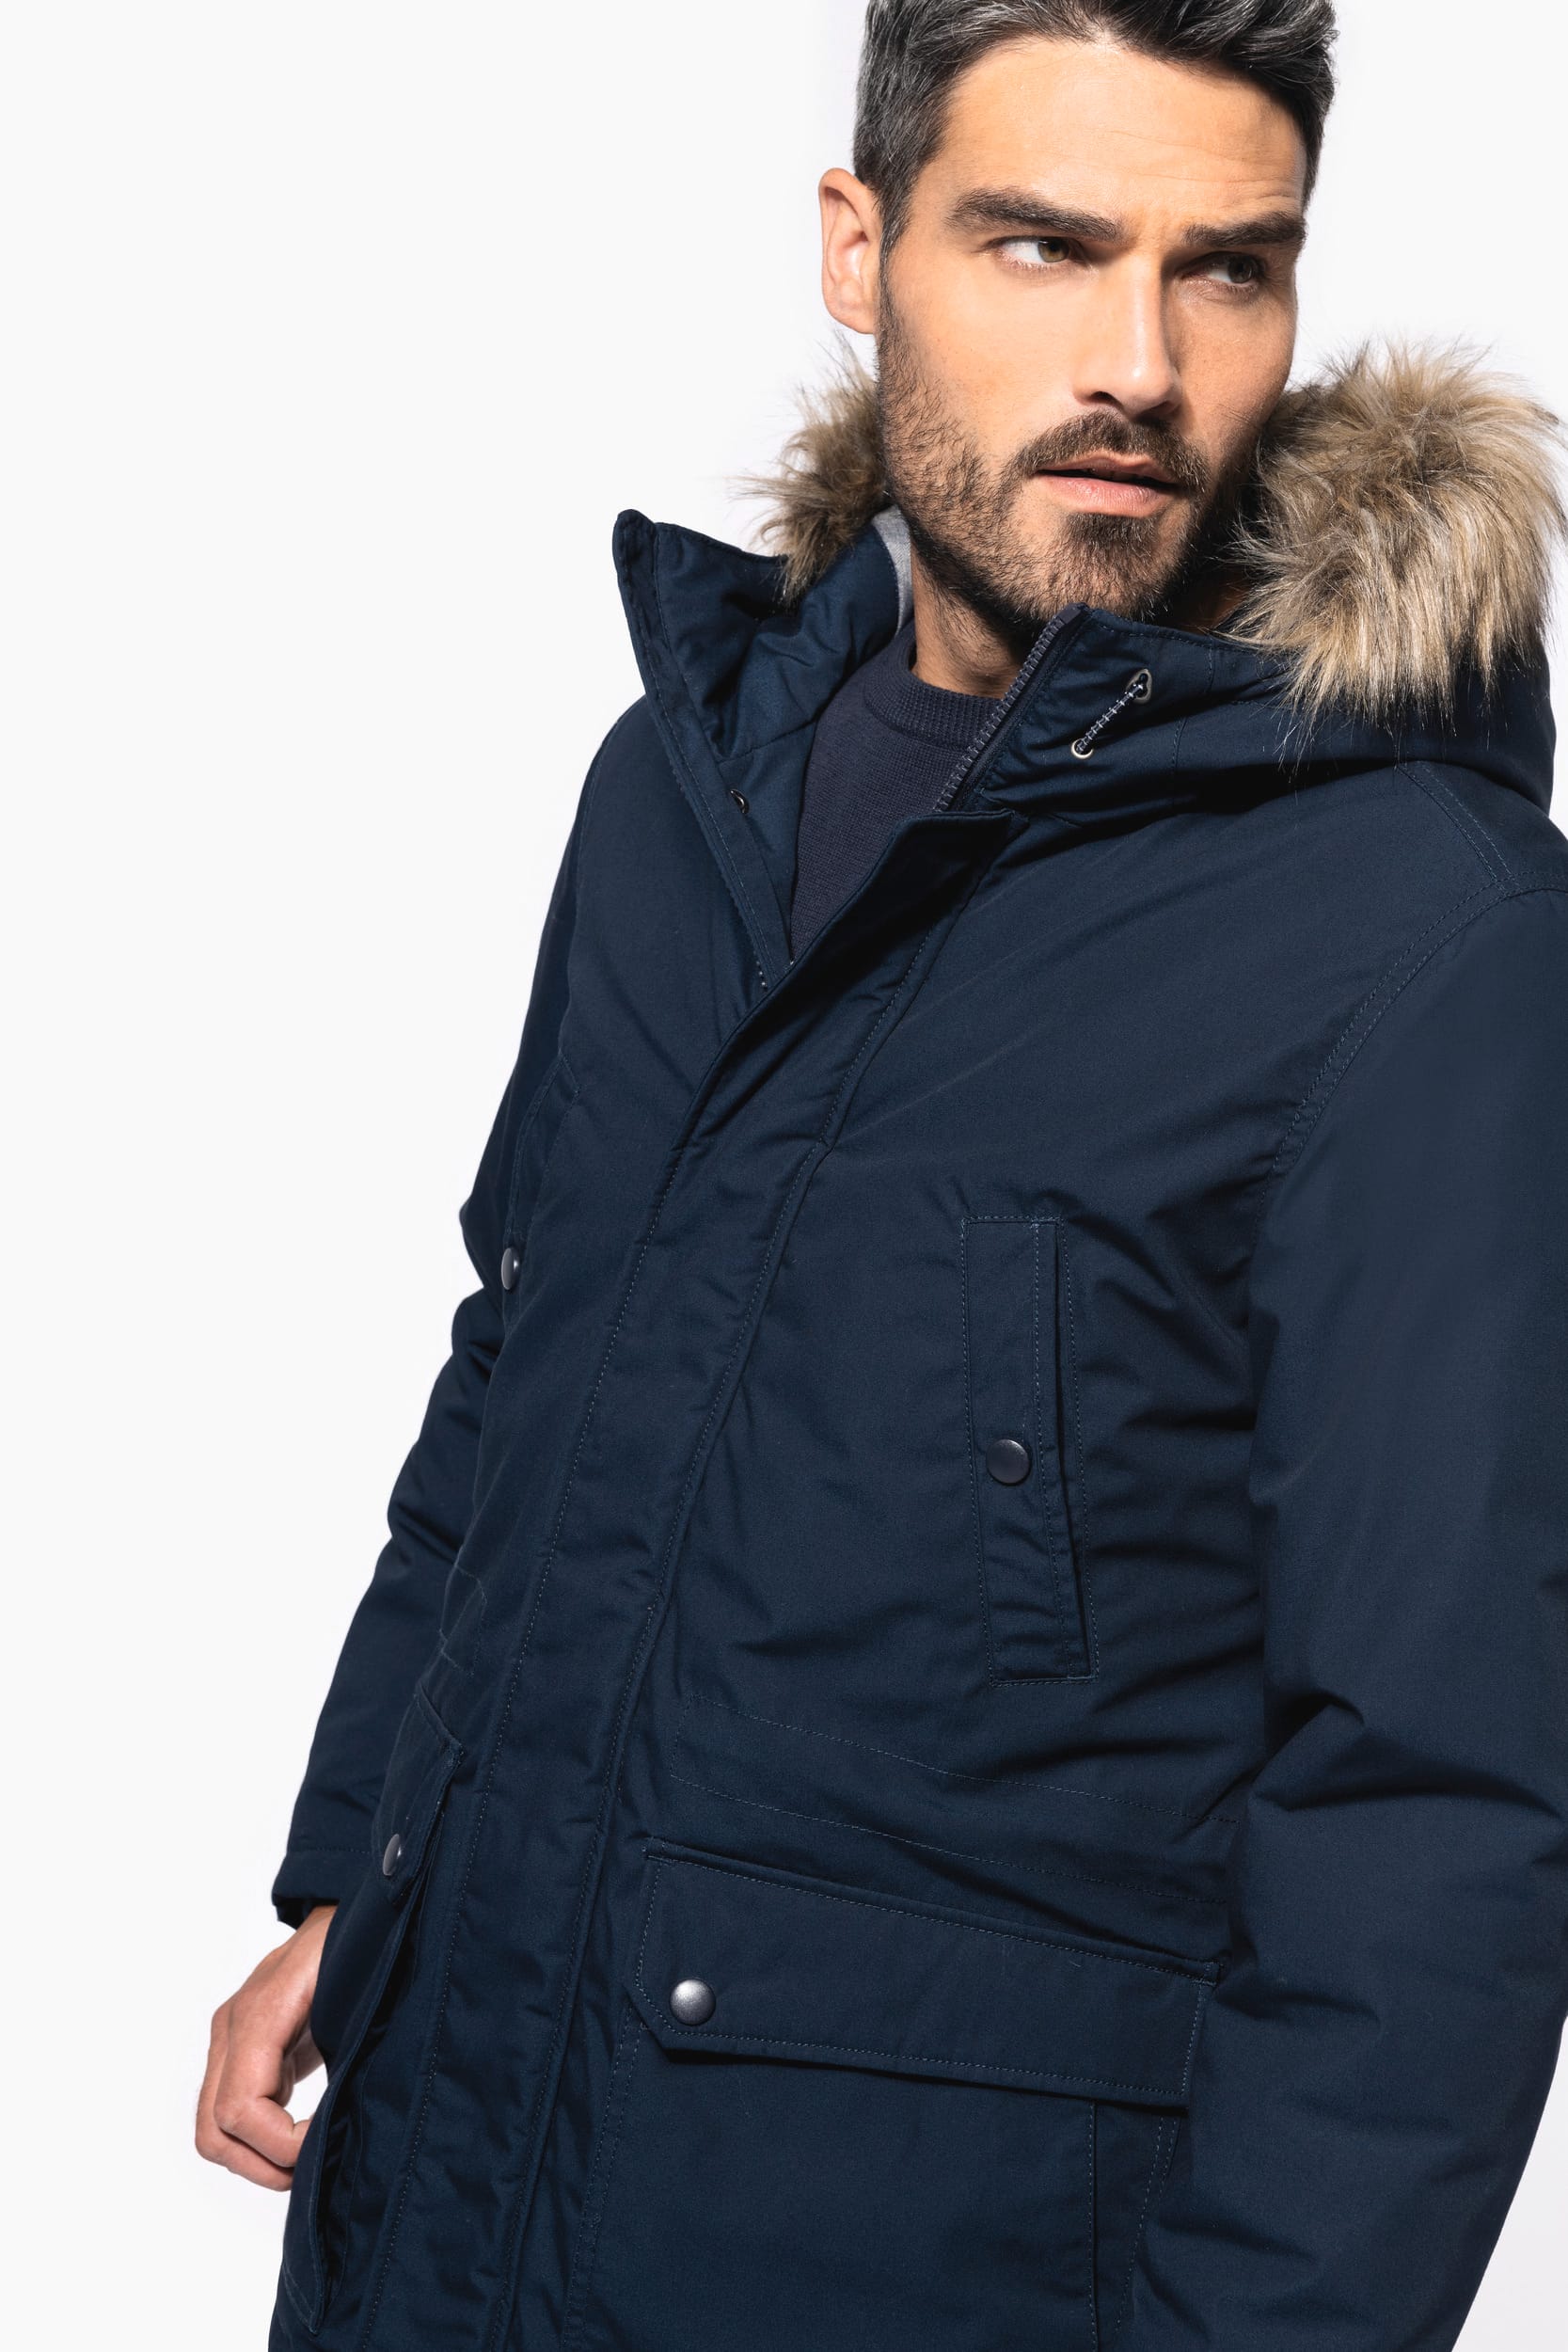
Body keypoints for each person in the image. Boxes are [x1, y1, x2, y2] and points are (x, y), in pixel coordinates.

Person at [198, 6, 1568, 2347]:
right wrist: (366, 1879)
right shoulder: (684, 787)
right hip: (447, 2177)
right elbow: (527, 1356)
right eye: (1043, 245)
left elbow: (1440, 1800)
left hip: (919, 2263)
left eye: (1227, 269)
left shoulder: (1425, 929)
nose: (1138, 363)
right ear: (861, 247)